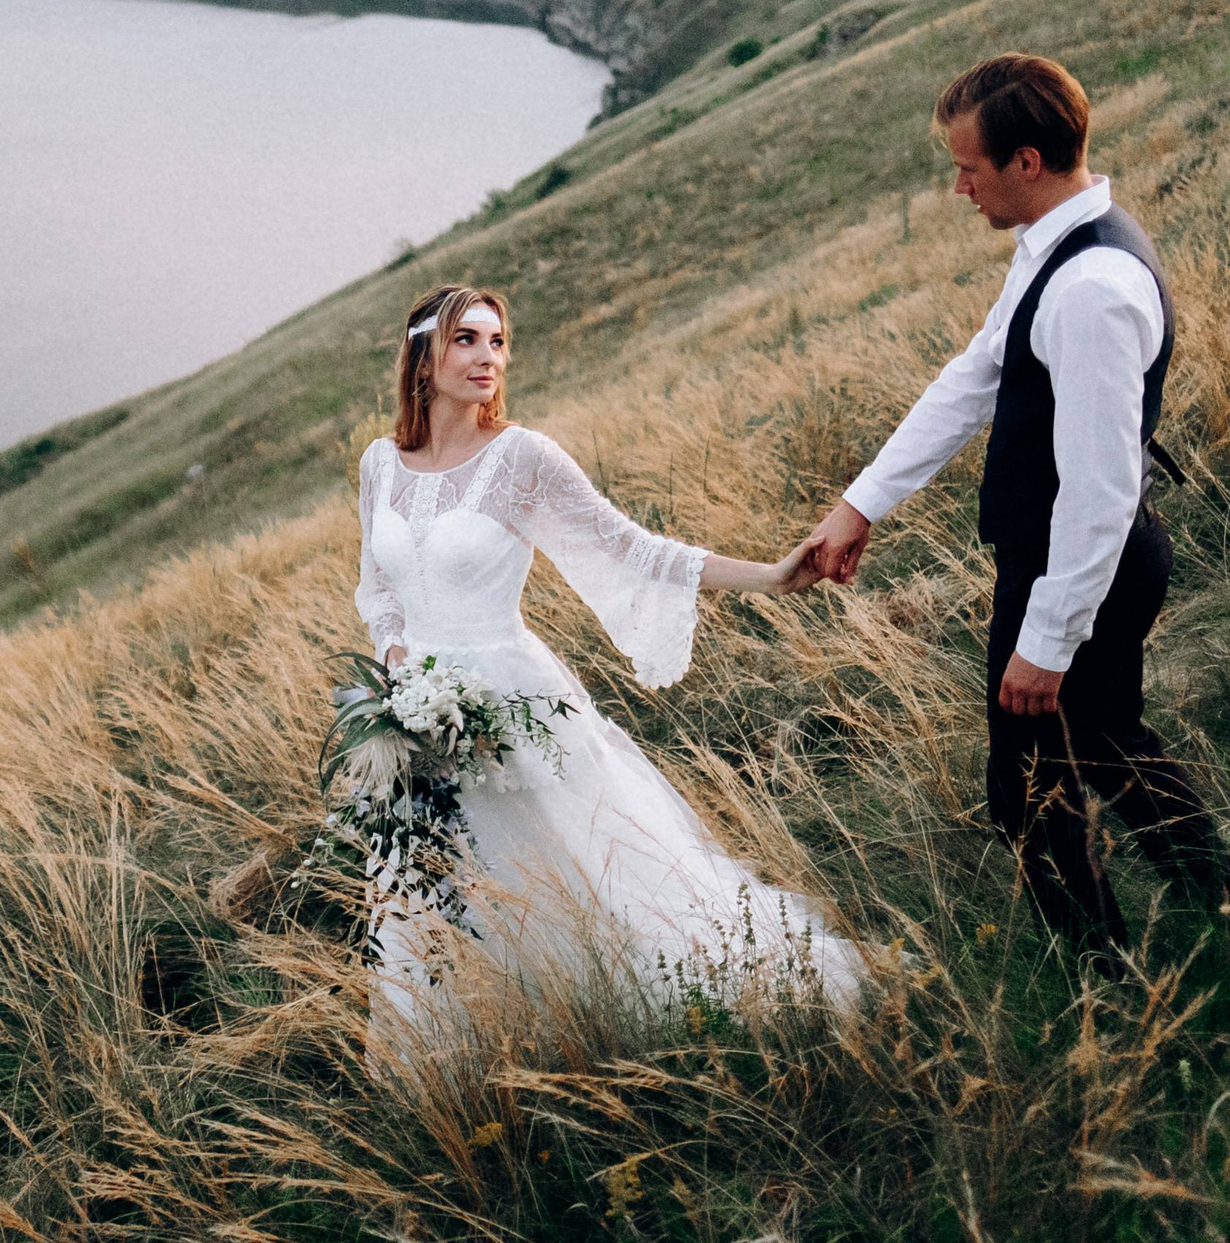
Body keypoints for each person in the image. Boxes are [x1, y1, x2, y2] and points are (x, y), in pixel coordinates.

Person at [804, 53, 1230, 962]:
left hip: (1082, 566)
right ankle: (1229, 923)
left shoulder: (1090, 291)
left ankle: (1111, 982)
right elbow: (978, 376)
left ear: (1028, 162)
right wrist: (861, 505)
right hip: (1069, 562)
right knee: (1100, 754)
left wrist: (1046, 642)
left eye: (969, 167)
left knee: (1036, 789)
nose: (958, 186)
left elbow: (1101, 489)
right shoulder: (1057, 249)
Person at [352, 282, 866, 1035]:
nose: (488, 357)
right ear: (422, 358)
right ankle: (482, 1049)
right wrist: (400, 676)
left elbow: (631, 548)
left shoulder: (521, 460)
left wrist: (770, 576)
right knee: (437, 886)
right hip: (412, 723)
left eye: (498, 342)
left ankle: (631, 1019)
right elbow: (378, 591)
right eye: (467, 340)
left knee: (571, 871)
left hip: (513, 703)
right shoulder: (380, 466)